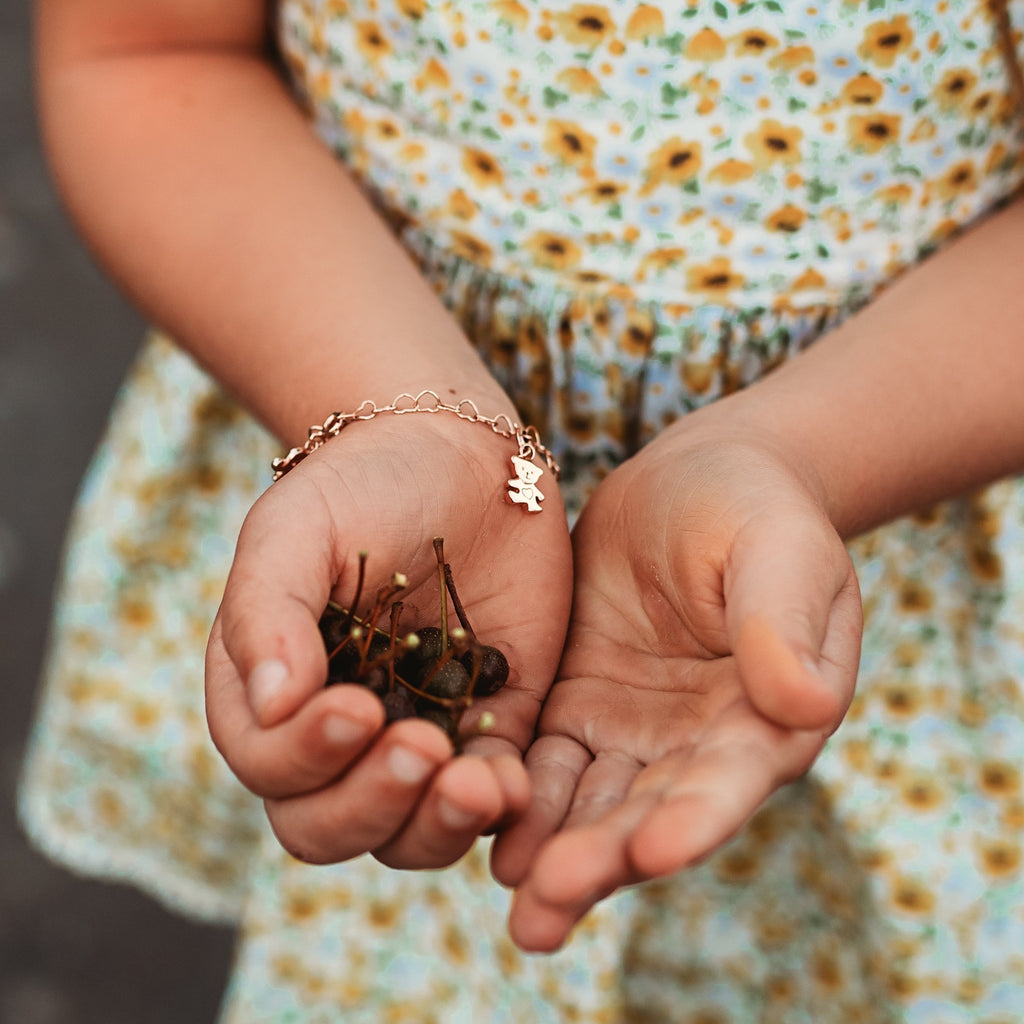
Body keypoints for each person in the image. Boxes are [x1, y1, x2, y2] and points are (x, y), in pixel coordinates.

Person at [19, 0, 1024, 1020]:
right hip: (365, 412)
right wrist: (394, 413)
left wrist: (793, 455)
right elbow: (145, 53)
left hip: (909, 558)